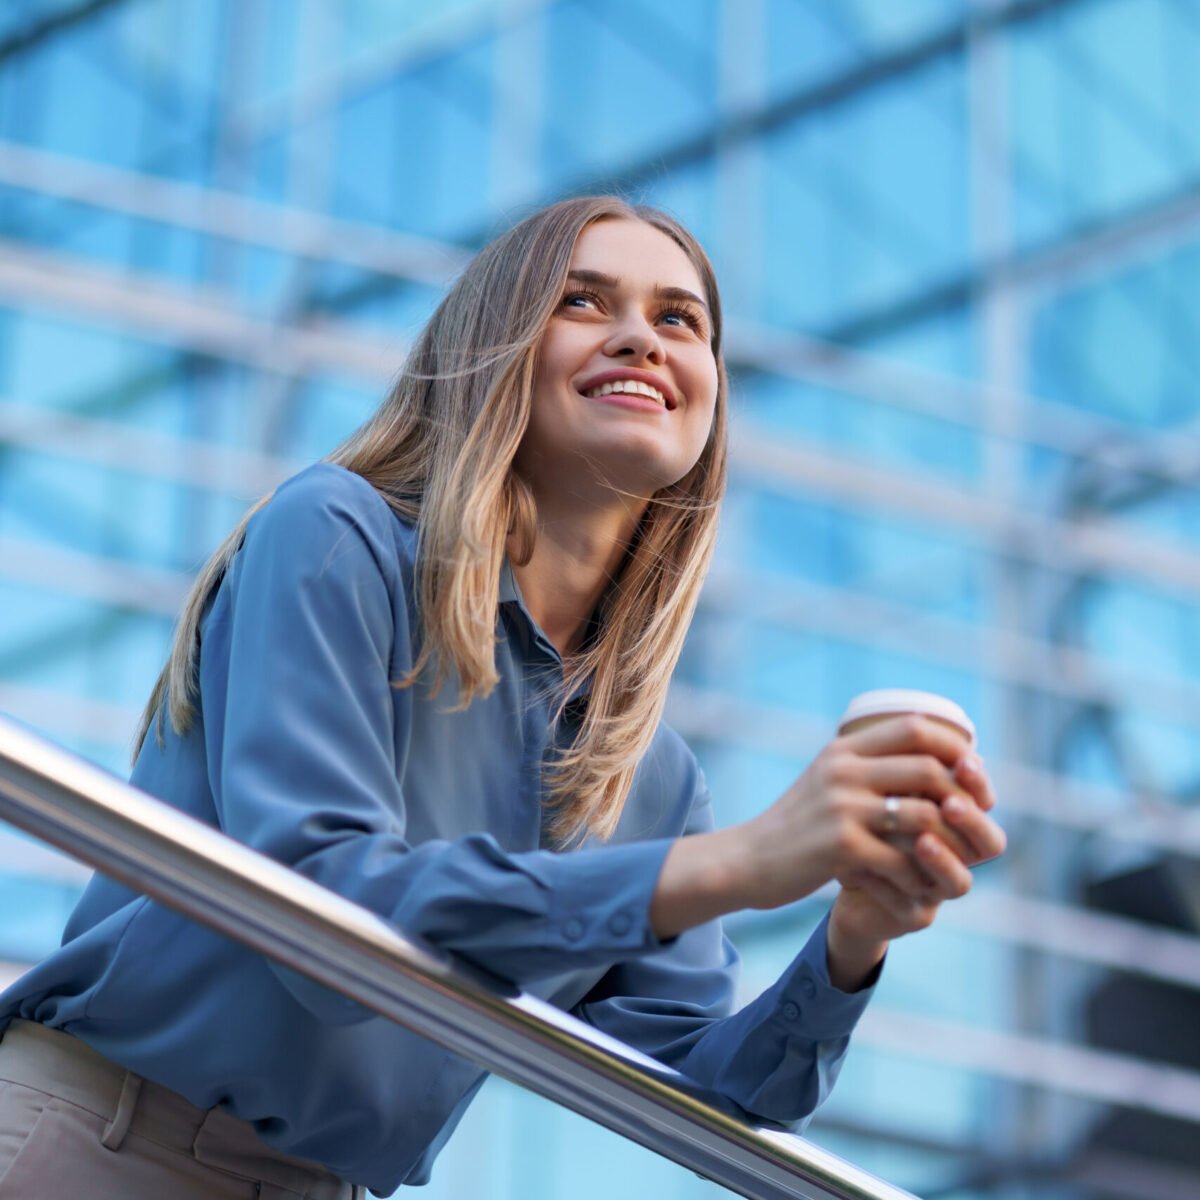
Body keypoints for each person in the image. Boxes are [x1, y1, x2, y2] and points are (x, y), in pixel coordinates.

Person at [0, 196, 1005, 1198]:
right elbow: (321, 916)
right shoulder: (337, 535)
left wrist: (855, 935)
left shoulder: (647, 778)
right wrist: (741, 863)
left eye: (678, 319)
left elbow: (718, 1093)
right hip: (100, 1141)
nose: (639, 340)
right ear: (497, 347)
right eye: (583, 301)